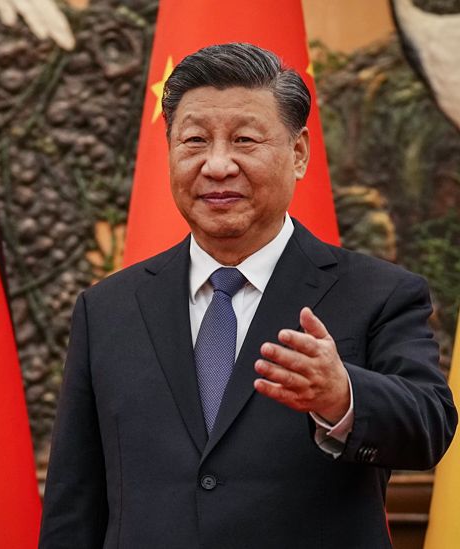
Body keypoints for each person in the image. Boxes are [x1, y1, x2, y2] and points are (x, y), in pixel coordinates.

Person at [39, 43, 457, 548]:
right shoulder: (108, 309)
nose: (217, 165)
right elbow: (74, 498)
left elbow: (429, 426)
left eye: (244, 140)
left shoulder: (378, 293)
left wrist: (342, 396)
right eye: (194, 140)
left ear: (298, 153)